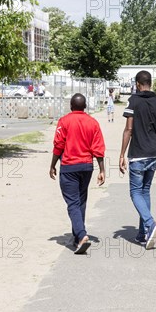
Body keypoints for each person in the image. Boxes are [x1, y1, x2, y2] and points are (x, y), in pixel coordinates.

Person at [50, 93, 106, 254]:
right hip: (87, 167)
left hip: (69, 167)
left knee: (73, 203)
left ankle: (81, 235)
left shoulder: (64, 121)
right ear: (85, 107)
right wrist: (102, 169)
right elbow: (98, 148)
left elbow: (58, 145)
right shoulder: (93, 123)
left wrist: (52, 165)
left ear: (71, 106)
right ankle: (77, 237)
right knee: (81, 201)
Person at [119, 70, 156, 249]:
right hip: (154, 153)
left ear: (138, 84)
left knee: (135, 192)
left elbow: (128, 130)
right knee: (145, 191)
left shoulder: (133, 101)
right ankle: (142, 234)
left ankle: (150, 223)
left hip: (138, 154)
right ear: (150, 83)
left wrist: (121, 154)